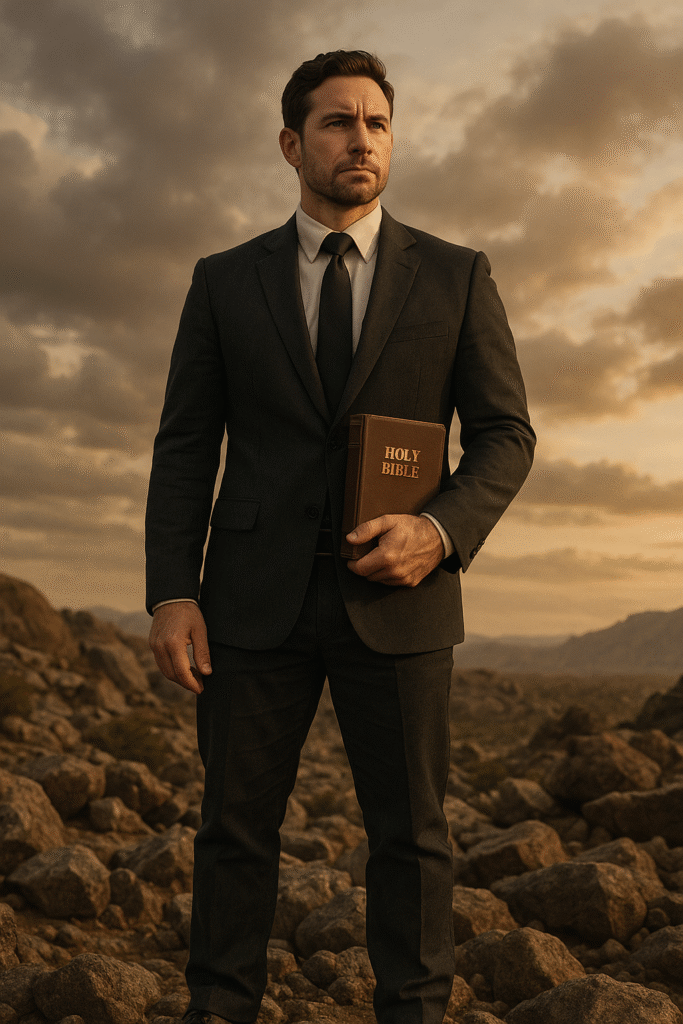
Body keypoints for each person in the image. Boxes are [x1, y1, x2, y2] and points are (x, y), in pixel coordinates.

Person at [146, 49, 535, 1024]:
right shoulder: (223, 280)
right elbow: (185, 445)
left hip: (402, 600)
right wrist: (172, 591)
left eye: (376, 123)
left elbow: (505, 434)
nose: (360, 139)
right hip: (249, 602)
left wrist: (438, 531)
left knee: (412, 835)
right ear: (291, 144)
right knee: (233, 830)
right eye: (335, 121)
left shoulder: (455, 275)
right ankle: (219, 1006)